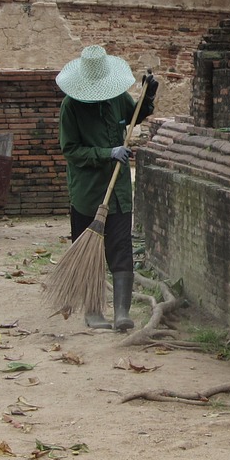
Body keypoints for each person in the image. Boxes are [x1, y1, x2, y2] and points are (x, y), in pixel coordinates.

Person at [56, 45, 157, 331]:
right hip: (88, 193)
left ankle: (122, 313)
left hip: (119, 192)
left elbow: (135, 115)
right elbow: (71, 150)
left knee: (121, 247)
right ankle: (93, 311)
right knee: (91, 252)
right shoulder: (71, 106)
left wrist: (148, 95)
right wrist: (106, 153)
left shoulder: (115, 96)